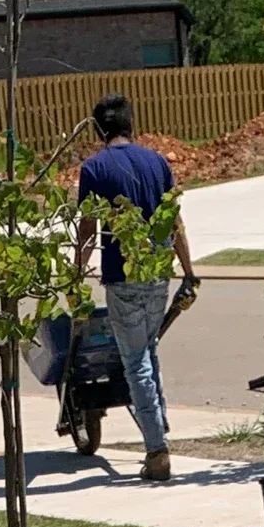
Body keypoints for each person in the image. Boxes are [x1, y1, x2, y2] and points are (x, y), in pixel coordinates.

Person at [73, 95, 199, 482]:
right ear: (131, 125)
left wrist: (77, 275)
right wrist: (189, 271)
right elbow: (174, 221)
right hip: (158, 274)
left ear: (98, 131)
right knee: (149, 350)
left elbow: (88, 231)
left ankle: (157, 448)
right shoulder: (157, 162)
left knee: (136, 361)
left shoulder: (94, 169)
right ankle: (159, 428)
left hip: (122, 277)